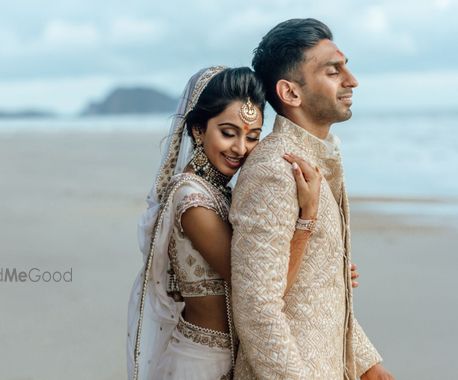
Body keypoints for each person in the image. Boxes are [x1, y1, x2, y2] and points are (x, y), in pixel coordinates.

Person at [127, 66, 360, 379]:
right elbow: (259, 287)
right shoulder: (190, 199)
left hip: (234, 357)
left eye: (253, 137)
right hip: (202, 363)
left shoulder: (221, 192)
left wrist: (328, 270)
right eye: (228, 132)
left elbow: (266, 262)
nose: (240, 149)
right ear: (198, 129)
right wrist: (307, 218)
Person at [230, 19, 394, 379]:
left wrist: (366, 362)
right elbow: (257, 306)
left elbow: (314, 286)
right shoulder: (275, 170)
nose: (352, 81)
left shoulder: (317, 160)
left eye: (346, 68)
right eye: (334, 71)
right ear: (290, 93)